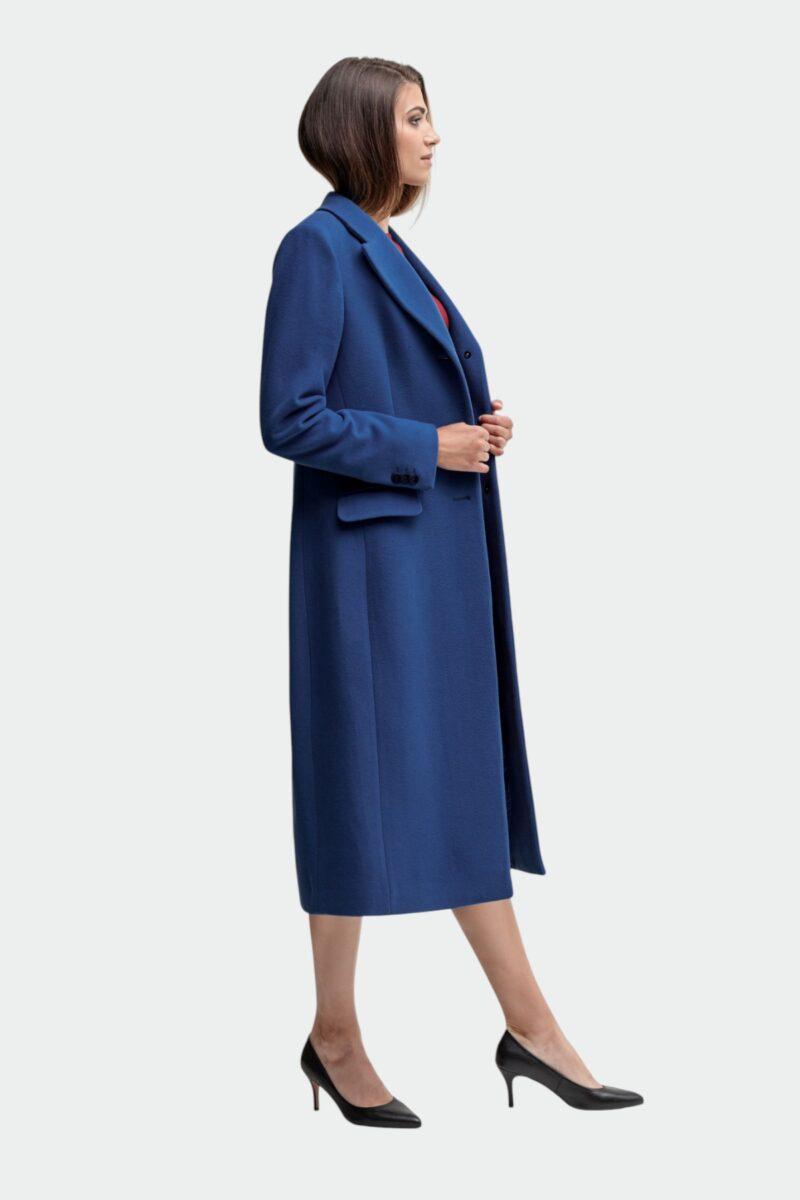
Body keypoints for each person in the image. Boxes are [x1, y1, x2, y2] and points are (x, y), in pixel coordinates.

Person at [259, 56, 643, 1127]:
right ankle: (342, 1036)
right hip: (365, 575)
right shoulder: (317, 248)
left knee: (459, 779)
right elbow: (287, 415)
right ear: (360, 131)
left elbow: (395, 391)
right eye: (414, 118)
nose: (433, 136)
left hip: (427, 558)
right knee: (356, 794)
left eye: (431, 117)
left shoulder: (388, 247)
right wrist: (426, 445)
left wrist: (474, 428)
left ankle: (527, 1026)